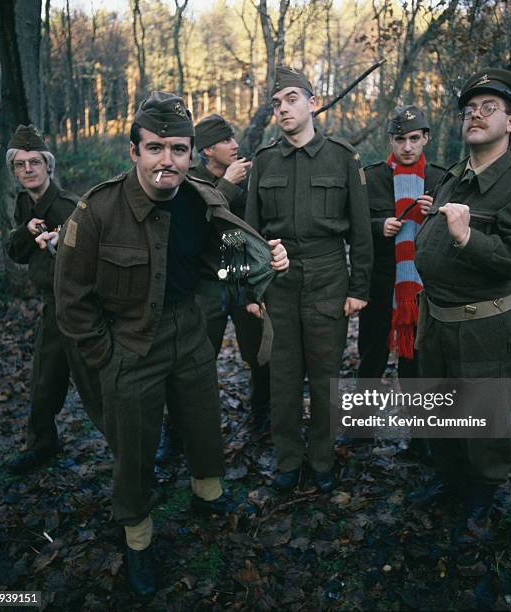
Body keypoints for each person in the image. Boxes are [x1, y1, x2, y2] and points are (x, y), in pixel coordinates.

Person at [54, 92, 288, 599]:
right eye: (155, 148)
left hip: (188, 331)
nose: (168, 161)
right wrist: (107, 355)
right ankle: (138, 539)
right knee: (134, 449)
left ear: (190, 154)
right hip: (130, 342)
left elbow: (218, 262)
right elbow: (71, 301)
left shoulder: (202, 200)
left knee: (203, 421)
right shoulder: (96, 211)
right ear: (134, 151)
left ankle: (208, 495)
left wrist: (261, 266)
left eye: (178, 150)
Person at [414, 68, 511, 527]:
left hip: (481, 327)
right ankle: (450, 478)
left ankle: (483, 494)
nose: (475, 115)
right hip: (435, 317)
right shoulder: (454, 177)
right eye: (470, 109)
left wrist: (466, 235)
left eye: (488, 108)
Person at [246, 66, 372, 494]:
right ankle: (287, 460)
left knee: (325, 378)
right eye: (277, 104)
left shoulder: (343, 156)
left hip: (328, 278)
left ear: (313, 103)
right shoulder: (265, 161)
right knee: (282, 379)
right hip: (278, 282)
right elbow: (247, 233)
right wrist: (252, 289)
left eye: (291, 100)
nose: (283, 109)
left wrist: (359, 288)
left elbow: (361, 231)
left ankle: (320, 460)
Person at [5, 124, 104, 475]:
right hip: (52, 309)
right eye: (20, 164)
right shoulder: (23, 203)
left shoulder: (67, 206)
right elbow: (15, 253)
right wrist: (25, 231)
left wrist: (59, 246)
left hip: (79, 309)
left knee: (96, 388)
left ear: (49, 166)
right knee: (45, 381)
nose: (28, 169)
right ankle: (42, 445)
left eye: (35, 162)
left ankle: (131, 450)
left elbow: (92, 260)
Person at [190, 114, 270, 431]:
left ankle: (262, 415)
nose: (235, 145)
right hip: (206, 283)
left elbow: (254, 225)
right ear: (208, 150)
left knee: (258, 353)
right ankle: (190, 426)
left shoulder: (245, 177)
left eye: (233, 138)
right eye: (226, 141)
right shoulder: (191, 180)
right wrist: (227, 185)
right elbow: (198, 225)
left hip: (241, 277)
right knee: (197, 359)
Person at [358, 105, 444, 381]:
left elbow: (450, 237)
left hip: (424, 291)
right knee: (371, 361)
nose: (407, 147)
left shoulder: (440, 179)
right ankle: (361, 423)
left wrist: (435, 216)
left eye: (414, 139)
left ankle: (418, 422)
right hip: (379, 287)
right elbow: (352, 227)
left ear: (426, 138)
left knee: (416, 365)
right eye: (400, 139)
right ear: (391, 141)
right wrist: (378, 226)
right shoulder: (371, 178)